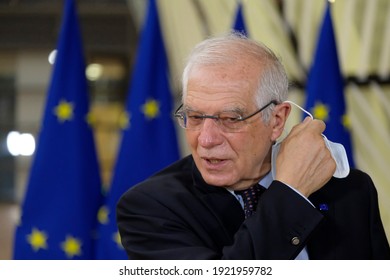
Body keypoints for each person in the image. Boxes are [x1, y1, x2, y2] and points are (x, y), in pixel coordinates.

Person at [116, 31, 390, 259]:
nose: (206, 139)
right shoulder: (150, 207)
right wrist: (291, 192)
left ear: (277, 120)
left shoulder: (351, 192)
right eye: (196, 117)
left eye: (230, 119)